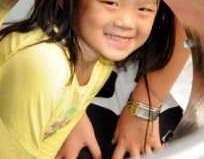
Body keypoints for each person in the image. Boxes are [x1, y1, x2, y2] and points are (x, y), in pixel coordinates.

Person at [0, 0, 177, 158]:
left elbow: (48, 144)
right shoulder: (42, 65)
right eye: (111, 3)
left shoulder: (101, 61)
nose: (127, 23)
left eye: (144, 9)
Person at [56, 17, 191, 159]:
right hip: (74, 62)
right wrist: (70, 110)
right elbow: (53, 3)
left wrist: (145, 106)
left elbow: (191, 16)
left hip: (170, 82)